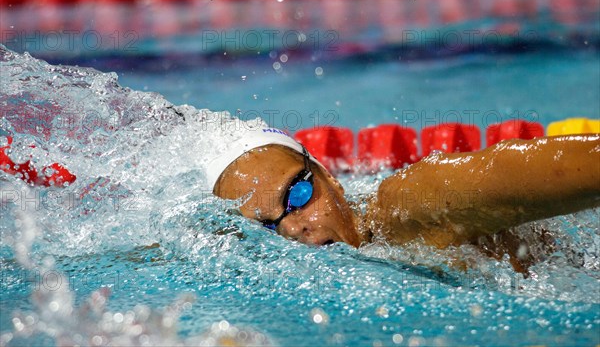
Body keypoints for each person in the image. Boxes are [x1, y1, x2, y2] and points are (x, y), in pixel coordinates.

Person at [209, 127, 600, 273]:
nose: (292, 228)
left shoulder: (409, 206)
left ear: (329, 176)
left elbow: (506, 173)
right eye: (267, 225)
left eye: (298, 194)